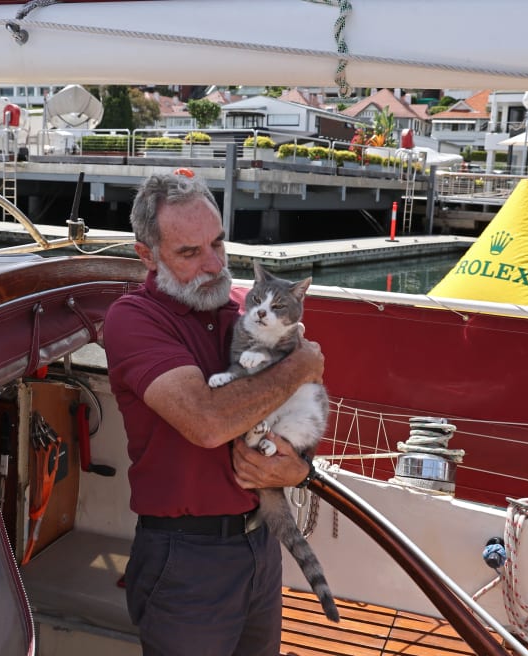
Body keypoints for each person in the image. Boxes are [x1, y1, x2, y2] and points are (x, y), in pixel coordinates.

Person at [104, 170, 325, 656]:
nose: (214, 264)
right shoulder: (133, 318)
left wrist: (298, 469)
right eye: (190, 253)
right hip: (186, 559)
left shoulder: (245, 308)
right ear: (148, 255)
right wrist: (301, 364)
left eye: (218, 244)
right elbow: (207, 422)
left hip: (261, 544)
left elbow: (301, 406)